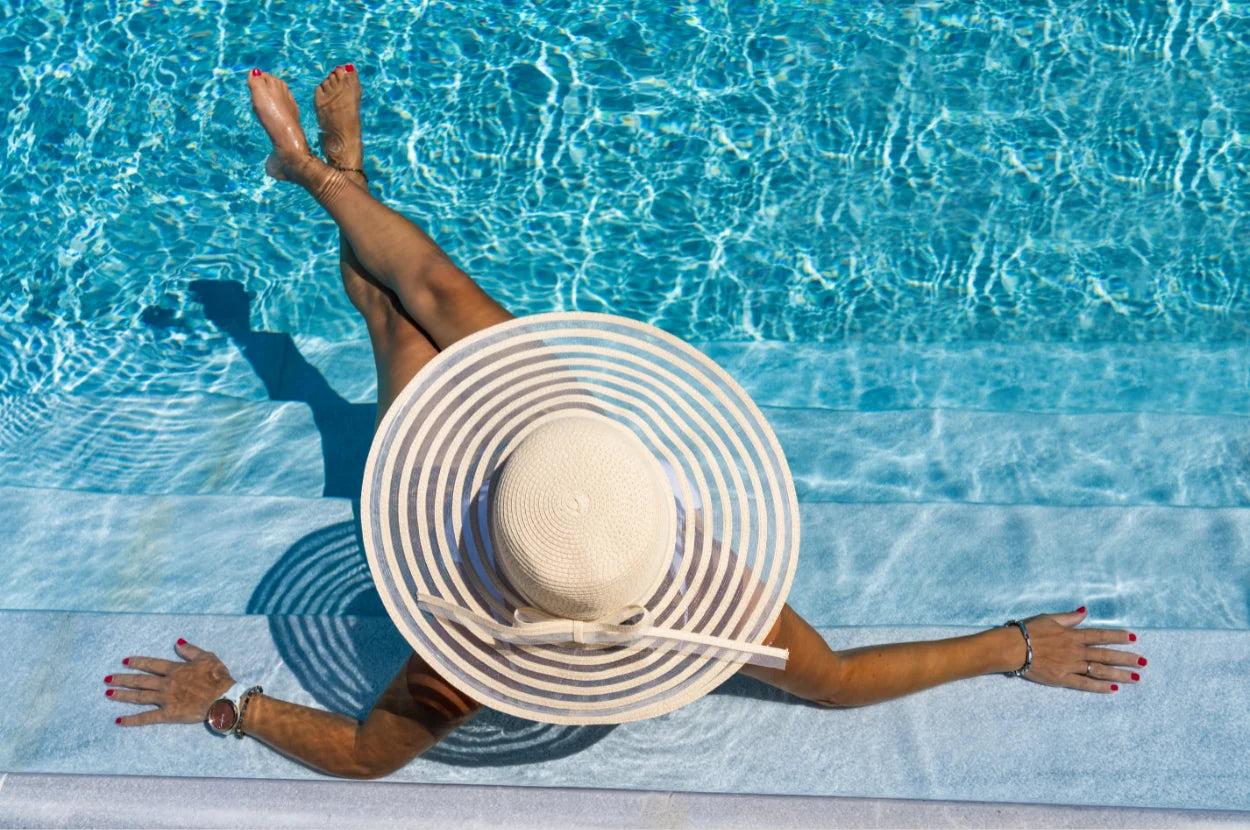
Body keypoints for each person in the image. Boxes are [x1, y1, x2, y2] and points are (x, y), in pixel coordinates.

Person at [104, 66, 1147, 779]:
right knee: (417, 291)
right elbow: (830, 683)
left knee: (394, 310)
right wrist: (1007, 644)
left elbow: (373, 754)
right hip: (543, 443)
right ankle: (330, 174)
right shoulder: (694, 588)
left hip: (475, 468)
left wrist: (233, 700)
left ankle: (338, 174)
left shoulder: (467, 644)